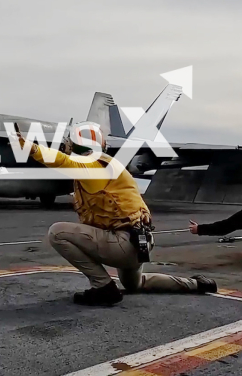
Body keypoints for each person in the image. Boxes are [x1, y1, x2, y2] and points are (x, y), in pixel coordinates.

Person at [16, 123, 216, 307]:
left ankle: (103, 287)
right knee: (135, 284)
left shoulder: (92, 166)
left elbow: (61, 161)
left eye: (68, 143)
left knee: (57, 232)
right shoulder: (108, 165)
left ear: (75, 145)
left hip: (123, 244)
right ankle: (195, 284)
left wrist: (29, 147)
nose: (65, 147)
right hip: (139, 244)